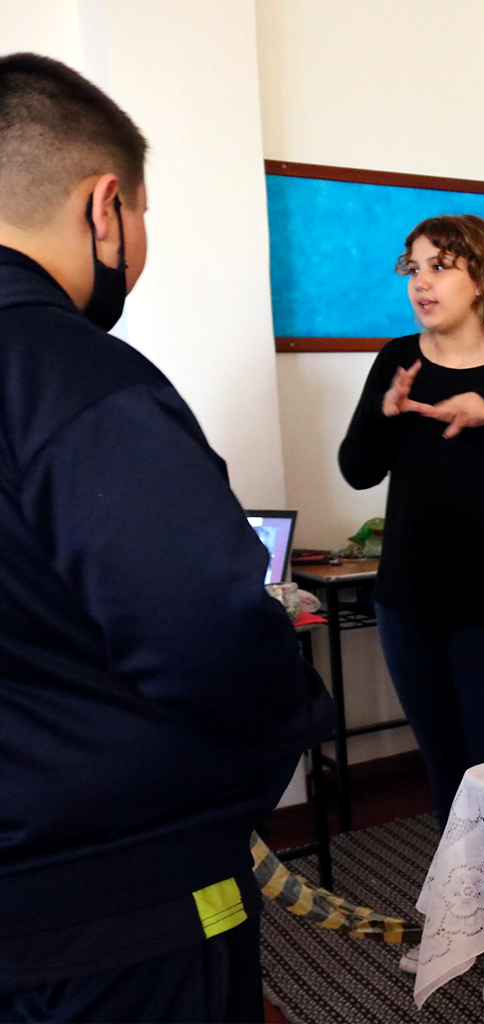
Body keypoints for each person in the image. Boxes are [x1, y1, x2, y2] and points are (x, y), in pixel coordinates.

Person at [0, 54, 335, 1023]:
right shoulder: (81, 382)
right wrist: (287, 718)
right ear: (105, 207)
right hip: (114, 917)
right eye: (143, 216)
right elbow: (210, 635)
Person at [337, 214, 484, 994]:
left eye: (441, 266)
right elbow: (357, 469)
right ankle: (463, 916)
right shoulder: (397, 360)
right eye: (414, 267)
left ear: (481, 277)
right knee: (444, 769)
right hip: (410, 602)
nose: (422, 282)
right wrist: (385, 411)